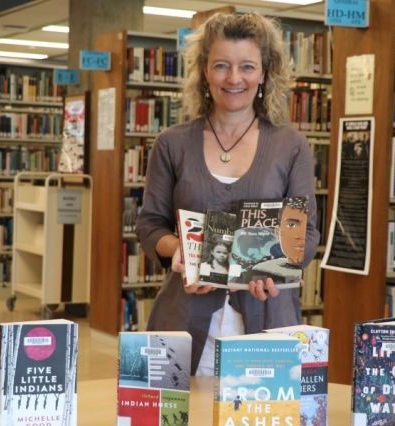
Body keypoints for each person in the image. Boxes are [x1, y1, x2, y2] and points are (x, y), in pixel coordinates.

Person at [135, 12, 319, 375]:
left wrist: (280, 267)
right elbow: (149, 225)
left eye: (247, 66)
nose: (234, 78)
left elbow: (307, 232)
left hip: (268, 321)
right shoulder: (172, 144)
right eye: (221, 65)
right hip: (183, 320)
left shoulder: (291, 146)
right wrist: (182, 254)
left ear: (265, 72)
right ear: (205, 71)